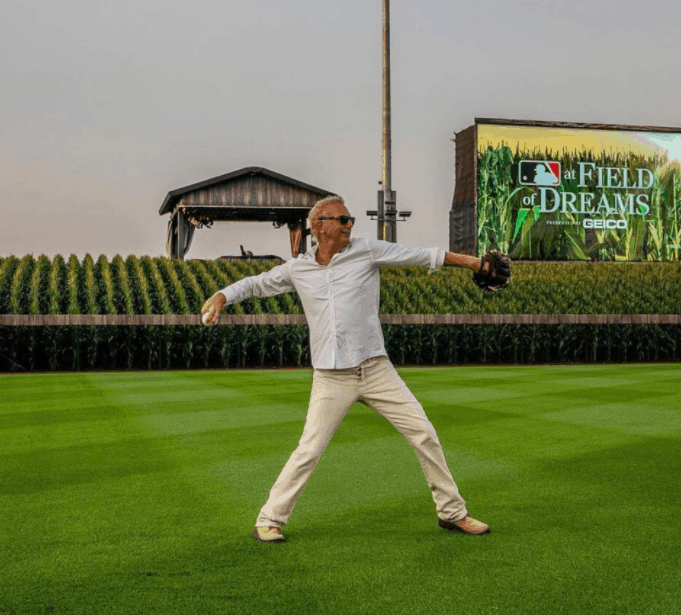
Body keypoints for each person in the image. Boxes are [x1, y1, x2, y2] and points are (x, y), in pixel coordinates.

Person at [200, 195, 490, 543]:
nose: (350, 224)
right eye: (343, 219)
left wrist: (474, 263)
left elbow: (421, 255)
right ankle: (270, 518)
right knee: (309, 449)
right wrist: (220, 296)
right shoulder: (299, 268)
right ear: (319, 226)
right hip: (331, 377)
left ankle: (452, 513)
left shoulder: (366, 250)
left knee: (424, 433)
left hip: (376, 369)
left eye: (350, 219)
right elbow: (256, 284)